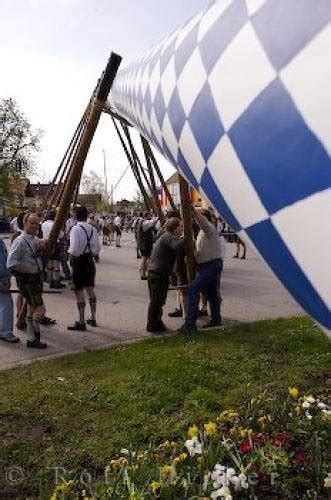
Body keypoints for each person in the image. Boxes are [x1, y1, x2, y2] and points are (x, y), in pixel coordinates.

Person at [179, 207, 223, 332]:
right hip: (208, 265)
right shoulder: (202, 233)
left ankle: (190, 325)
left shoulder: (209, 228)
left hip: (212, 265)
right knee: (212, 295)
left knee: (193, 288)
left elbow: (203, 222)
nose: (195, 218)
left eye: (200, 214)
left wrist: (194, 211)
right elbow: (201, 251)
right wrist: (193, 258)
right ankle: (216, 320)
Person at [7, 213, 47, 349]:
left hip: (35, 280)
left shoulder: (33, 238)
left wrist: (42, 245)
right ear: (25, 223)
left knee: (31, 309)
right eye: (32, 223)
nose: (35, 226)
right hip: (28, 282)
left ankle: (32, 339)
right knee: (40, 310)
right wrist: (30, 270)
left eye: (37, 224)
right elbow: (11, 263)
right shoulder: (20, 241)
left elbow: (38, 244)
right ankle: (35, 337)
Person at [147, 217, 185, 333]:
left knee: (157, 301)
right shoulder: (169, 236)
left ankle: (157, 323)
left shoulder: (165, 235)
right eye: (181, 227)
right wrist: (186, 239)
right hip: (158, 273)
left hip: (155, 272)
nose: (182, 229)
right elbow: (178, 246)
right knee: (157, 301)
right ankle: (153, 325)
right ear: (176, 228)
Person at [67, 205, 100, 331]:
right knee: (90, 289)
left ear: (75, 215)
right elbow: (96, 249)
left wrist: (72, 258)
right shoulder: (92, 229)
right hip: (89, 260)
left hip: (79, 261)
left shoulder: (75, 229)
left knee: (79, 290)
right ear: (86, 216)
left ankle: (81, 322)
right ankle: (93, 317)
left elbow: (74, 249)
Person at [0, 238, 20, 343]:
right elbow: (2, 264)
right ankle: (6, 332)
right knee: (6, 305)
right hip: (1, 279)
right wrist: (6, 278)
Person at [42, 210, 65, 289]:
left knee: (49, 263)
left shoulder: (43, 224)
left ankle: (50, 280)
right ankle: (56, 282)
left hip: (46, 243)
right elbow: (61, 235)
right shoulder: (55, 225)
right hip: (55, 244)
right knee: (56, 264)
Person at [137, 212, 158, 280]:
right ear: (145, 216)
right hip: (144, 244)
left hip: (145, 243)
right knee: (144, 258)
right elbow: (150, 224)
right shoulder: (143, 222)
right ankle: (143, 274)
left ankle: (143, 272)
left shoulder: (143, 222)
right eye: (149, 215)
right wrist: (156, 219)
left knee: (145, 258)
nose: (150, 217)